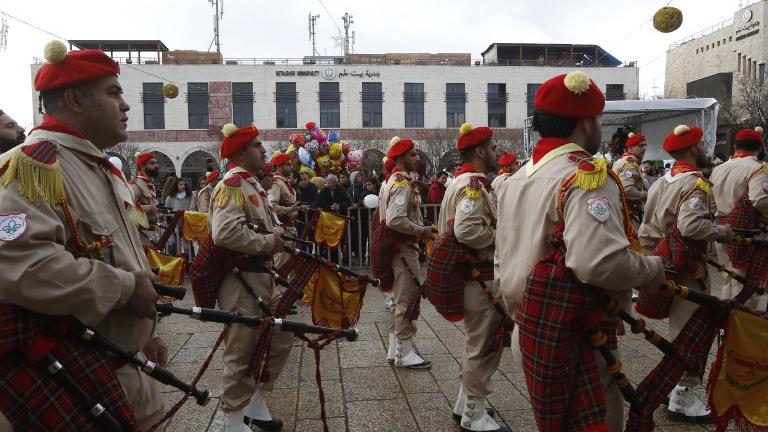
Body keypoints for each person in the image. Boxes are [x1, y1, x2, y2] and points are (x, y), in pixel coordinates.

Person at [0, 41, 166, 430]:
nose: (125, 106)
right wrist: (126, 287)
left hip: (124, 367)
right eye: (113, 93)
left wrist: (144, 337)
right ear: (74, 99)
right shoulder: (33, 165)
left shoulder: (97, 166)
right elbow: (26, 267)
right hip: (74, 376)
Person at [495, 71, 666, 432]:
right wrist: (652, 270)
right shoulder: (585, 175)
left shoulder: (514, 180)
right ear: (587, 122)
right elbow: (598, 263)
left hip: (530, 328)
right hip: (578, 336)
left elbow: (503, 261)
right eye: (599, 118)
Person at [637, 124, 735, 423]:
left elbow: (646, 227)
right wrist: (722, 231)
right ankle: (684, 395)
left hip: (661, 262)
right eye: (702, 145)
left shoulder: (663, 180)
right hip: (686, 269)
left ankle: (676, 387)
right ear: (693, 148)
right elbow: (691, 226)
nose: (705, 149)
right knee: (693, 332)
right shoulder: (695, 183)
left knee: (680, 330)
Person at [211, 123, 292, 432]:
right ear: (241, 151)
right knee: (242, 349)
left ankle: (256, 402)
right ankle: (231, 420)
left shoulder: (252, 185)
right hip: (242, 281)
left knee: (281, 336)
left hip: (262, 276)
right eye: (257, 145)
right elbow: (225, 232)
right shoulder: (232, 184)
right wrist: (269, 242)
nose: (264, 149)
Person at [435, 123, 509, 432]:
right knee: (485, 346)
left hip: (472, 278)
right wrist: (500, 237)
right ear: (479, 151)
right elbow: (466, 230)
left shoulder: (463, 181)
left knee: (476, 344)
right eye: (492, 148)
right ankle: (474, 416)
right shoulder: (473, 184)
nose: (496, 153)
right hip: (479, 279)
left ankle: (463, 405)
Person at [376, 136, 433, 369]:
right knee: (406, 299)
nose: (417, 158)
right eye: (413, 155)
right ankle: (405, 354)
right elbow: (395, 219)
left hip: (398, 248)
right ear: (399, 159)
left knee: (396, 299)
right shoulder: (401, 183)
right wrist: (422, 231)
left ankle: (395, 349)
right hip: (403, 249)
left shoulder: (394, 180)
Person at [711, 127, 768, 309]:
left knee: (729, 278)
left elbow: (710, 202)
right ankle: (738, 329)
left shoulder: (718, 169)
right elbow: (760, 200)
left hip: (721, 228)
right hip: (747, 234)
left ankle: (725, 326)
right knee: (747, 287)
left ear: (735, 146)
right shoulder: (756, 168)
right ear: (759, 148)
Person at [612, 132, 648, 223]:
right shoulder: (629, 163)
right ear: (630, 148)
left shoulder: (624, 160)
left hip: (624, 211)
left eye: (645, 146)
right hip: (627, 212)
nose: (644, 149)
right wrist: (645, 195)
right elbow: (627, 190)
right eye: (640, 146)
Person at [130, 151, 160, 247]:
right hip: (140, 236)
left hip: (151, 233)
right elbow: (128, 207)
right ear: (142, 166)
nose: (156, 166)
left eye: (156, 163)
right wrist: (149, 208)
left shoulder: (149, 184)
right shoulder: (135, 184)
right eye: (152, 163)